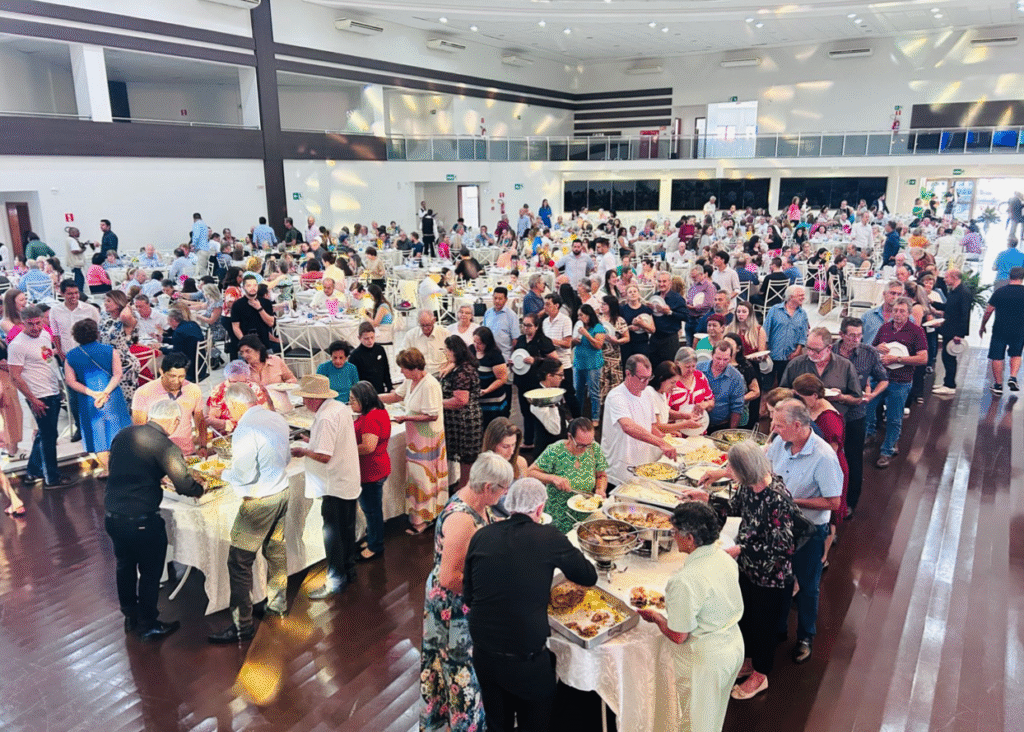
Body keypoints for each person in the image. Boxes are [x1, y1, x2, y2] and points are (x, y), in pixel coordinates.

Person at [463, 477, 597, 732]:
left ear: (509, 504)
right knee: (535, 722)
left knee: (497, 723)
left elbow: (469, 596)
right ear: (540, 509)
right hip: (526, 657)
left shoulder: (482, 535)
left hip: (483, 653)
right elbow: (588, 576)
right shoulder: (548, 537)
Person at [683, 440, 795, 700]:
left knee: (764, 626)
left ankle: (760, 674)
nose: (728, 471)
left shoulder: (777, 498)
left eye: (732, 468)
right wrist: (706, 498)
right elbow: (735, 508)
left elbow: (783, 547)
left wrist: (740, 549)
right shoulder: (749, 486)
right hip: (747, 568)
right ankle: (749, 661)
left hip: (770, 575)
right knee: (746, 617)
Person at [419, 452, 512, 732]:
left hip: (464, 600)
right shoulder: (461, 520)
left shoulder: (477, 501)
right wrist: (491, 587)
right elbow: (449, 578)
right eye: (503, 489)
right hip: (453, 607)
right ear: (488, 487)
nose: (504, 495)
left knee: (456, 668)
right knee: (461, 673)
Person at [635, 501, 743, 732]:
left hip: (706, 659)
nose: (674, 537)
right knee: (714, 718)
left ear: (690, 539)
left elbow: (678, 636)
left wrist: (656, 618)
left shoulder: (684, 580)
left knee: (695, 724)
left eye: (675, 532)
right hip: (733, 645)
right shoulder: (725, 558)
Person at [106, 399, 204, 640]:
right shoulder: (165, 445)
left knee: (124, 566)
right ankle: (148, 623)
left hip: (113, 515)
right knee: (150, 572)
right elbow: (184, 484)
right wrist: (200, 489)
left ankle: (130, 614)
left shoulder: (124, 434)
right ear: (175, 420)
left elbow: (122, 466)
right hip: (142, 519)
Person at [207, 384, 291, 643]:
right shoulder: (276, 418)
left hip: (259, 501)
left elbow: (243, 474)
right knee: (275, 550)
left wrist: (220, 473)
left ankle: (242, 625)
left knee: (239, 562)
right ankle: (277, 605)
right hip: (281, 491)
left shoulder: (245, 428)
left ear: (235, 405)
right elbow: (286, 458)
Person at [762, 399, 842, 663]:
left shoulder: (824, 457)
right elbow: (766, 470)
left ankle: (806, 636)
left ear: (797, 425)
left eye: (779, 425)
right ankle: (779, 629)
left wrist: (792, 501)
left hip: (808, 531)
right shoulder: (780, 443)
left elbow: (833, 502)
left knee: (807, 587)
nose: (773, 429)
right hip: (779, 526)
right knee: (780, 580)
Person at [290, 375, 362, 599]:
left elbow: (324, 456)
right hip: (346, 479)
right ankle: (349, 571)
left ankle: (335, 580)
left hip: (333, 484)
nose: (304, 403)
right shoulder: (339, 407)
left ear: (313, 399)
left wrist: (303, 451)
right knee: (347, 529)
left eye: (304, 398)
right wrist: (311, 441)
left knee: (332, 534)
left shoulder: (325, 417)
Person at [381, 348, 449, 534]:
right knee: (416, 476)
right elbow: (396, 396)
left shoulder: (430, 385)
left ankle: (425, 518)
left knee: (423, 478)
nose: (401, 371)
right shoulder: (411, 380)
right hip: (416, 437)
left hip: (428, 439)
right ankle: (421, 515)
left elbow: (432, 415)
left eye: (403, 368)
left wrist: (406, 418)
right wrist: (373, 398)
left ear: (414, 368)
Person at [9, 305, 75, 488]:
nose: (35, 327)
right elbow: (15, 377)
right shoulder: (17, 345)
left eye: (38, 323)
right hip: (39, 396)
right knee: (48, 437)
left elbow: (46, 359)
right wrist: (33, 399)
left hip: (52, 390)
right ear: (23, 323)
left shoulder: (45, 335)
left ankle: (33, 472)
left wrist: (57, 355)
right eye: (30, 324)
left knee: (46, 434)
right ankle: (51, 478)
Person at [64, 318, 131, 477]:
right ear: (96, 333)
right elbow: (118, 374)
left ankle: (108, 470)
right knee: (118, 432)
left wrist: (93, 393)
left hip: (88, 400)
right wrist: (105, 392)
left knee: (98, 437)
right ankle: (123, 467)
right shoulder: (110, 350)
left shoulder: (71, 356)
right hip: (112, 396)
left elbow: (70, 381)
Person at [601, 354, 678, 486]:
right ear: (628, 374)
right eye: (642, 378)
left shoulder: (647, 393)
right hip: (619, 470)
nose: (646, 382)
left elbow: (651, 426)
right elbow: (628, 427)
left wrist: (665, 440)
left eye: (649, 378)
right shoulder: (616, 396)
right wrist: (661, 443)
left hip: (641, 466)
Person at [870, 297, 928, 467]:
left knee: (894, 418)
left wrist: (898, 359)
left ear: (909, 313)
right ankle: (870, 436)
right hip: (880, 378)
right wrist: (876, 348)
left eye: (902, 311)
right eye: (895, 310)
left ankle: (887, 450)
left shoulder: (916, 331)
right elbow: (873, 349)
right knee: (868, 409)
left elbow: (923, 358)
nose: (897, 314)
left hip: (901, 381)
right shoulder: (885, 328)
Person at [131, 351, 207, 457]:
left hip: (188, 453)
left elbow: (200, 419)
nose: (176, 381)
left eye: (181, 376)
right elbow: (139, 429)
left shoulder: (193, 389)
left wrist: (203, 446)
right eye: (172, 376)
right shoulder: (144, 392)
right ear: (161, 372)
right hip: (158, 457)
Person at [349, 380, 391, 562]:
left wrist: (345, 448)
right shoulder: (377, 412)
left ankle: (375, 545)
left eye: (353, 400)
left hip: (371, 471)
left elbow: (368, 447)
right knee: (372, 510)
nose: (350, 403)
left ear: (364, 399)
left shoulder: (371, 418)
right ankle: (374, 538)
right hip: (376, 467)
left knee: (372, 511)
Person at [439, 336, 482, 490]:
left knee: (466, 456)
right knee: (464, 456)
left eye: (446, 350)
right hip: (460, 419)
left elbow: (460, 400)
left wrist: (436, 403)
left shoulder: (463, 371)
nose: (445, 353)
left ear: (454, 351)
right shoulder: (460, 366)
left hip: (464, 420)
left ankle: (465, 488)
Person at [528, 417, 608, 496]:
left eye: (588, 444)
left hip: (585, 501)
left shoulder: (594, 447)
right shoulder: (556, 449)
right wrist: (553, 478)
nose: (584, 449)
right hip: (558, 502)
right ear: (570, 437)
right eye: (580, 445)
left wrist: (600, 489)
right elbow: (530, 472)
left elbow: (601, 475)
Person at [980, 265, 1024, 395]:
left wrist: (983, 325)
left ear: (1010, 276)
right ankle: (1013, 377)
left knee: (997, 356)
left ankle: (998, 385)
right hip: (1019, 329)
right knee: (1016, 354)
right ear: (1022, 278)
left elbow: (988, 311)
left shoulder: (1000, 292)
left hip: (1000, 328)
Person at [931, 269, 972, 395]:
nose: (944, 279)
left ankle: (950, 385)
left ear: (954, 277)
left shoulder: (963, 293)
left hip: (954, 331)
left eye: (947, 277)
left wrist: (960, 334)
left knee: (949, 357)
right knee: (946, 356)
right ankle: (947, 382)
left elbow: (965, 315)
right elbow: (948, 307)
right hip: (949, 329)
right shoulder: (954, 291)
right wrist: (932, 303)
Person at [205, 360, 272, 433]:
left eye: (241, 382)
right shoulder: (219, 390)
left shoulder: (254, 389)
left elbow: (261, 414)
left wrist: (233, 426)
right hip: (224, 431)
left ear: (246, 379)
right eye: (234, 382)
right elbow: (213, 415)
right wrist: (221, 424)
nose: (237, 385)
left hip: (250, 428)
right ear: (228, 379)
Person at [764, 284, 808, 386]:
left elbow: (803, 336)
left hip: (791, 357)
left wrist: (797, 351)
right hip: (773, 354)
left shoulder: (803, 314)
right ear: (791, 297)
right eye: (800, 295)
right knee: (769, 386)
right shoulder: (774, 310)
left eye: (803, 295)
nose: (803, 298)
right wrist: (764, 350)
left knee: (787, 386)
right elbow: (765, 330)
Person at [696, 340, 745, 433]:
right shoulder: (698, 369)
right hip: (697, 423)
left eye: (725, 359)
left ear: (731, 358)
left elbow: (737, 408)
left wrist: (731, 432)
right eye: (718, 358)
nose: (721, 363)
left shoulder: (736, 377)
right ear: (712, 355)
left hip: (721, 426)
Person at [571, 303, 606, 424]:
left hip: (593, 364)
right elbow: (571, 343)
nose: (579, 318)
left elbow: (598, 345)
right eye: (578, 315)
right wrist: (574, 341)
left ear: (588, 315)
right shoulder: (578, 326)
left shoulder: (598, 327)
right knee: (578, 391)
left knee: (594, 392)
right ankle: (578, 416)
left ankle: (595, 417)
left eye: (581, 315)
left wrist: (586, 334)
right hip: (579, 363)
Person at [473, 326, 511, 430]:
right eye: (474, 342)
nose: (476, 345)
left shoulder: (495, 355)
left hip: (493, 402)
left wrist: (487, 390)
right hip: (478, 401)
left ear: (487, 343)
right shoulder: (471, 350)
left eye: (479, 343)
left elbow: (502, 379)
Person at [230, 273, 276, 354]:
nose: (252, 288)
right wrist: (245, 342)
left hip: (264, 344)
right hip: (246, 346)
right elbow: (235, 327)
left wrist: (260, 308)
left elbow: (271, 323)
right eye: (249, 285)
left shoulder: (266, 302)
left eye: (255, 285)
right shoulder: (237, 305)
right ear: (244, 287)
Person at [649, 271, 688, 368]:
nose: (661, 284)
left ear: (670, 282)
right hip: (655, 338)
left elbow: (686, 316)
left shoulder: (677, 298)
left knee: (669, 368)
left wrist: (670, 312)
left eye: (664, 281)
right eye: (659, 281)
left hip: (669, 339)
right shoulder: (654, 297)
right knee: (654, 367)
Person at [350, 321, 393, 394]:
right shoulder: (355, 355)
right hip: (364, 392)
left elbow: (386, 370)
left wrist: (390, 387)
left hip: (380, 390)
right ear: (359, 338)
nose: (370, 341)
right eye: (366, 338)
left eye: (372, 337)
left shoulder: (380, 349)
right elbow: (353, 378)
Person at [406, 310, 450, 377]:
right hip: (419, 374)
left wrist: (447, 369)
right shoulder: (410, 335)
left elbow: (454, 357)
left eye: (428, 325)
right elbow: (403, 357)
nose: (425, 328)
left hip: (441, 374)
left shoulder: (445, 333)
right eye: (422, 325)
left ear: (434, 320)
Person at [482, 287, 519, 362]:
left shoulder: (511, 315)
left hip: (504, 356)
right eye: (495, 298)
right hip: (488, 355)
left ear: (506, 299)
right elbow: (483, 332)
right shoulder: (488, 313)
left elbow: (515, 340)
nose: (497, 301)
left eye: (500, 299)